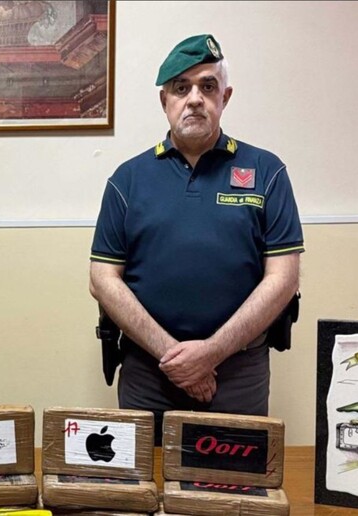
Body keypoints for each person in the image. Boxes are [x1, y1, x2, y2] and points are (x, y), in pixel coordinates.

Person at [89, 35, 303, 443]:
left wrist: (211, 353)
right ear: (164, 100)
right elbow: (102, 279)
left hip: (238, 375)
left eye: (207, 86)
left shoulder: (267, 171)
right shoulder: (128, 180)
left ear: (225, 97)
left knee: (233, 481)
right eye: (180, 88)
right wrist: (176, 358)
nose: (194, 99)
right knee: (145, 480)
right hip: (149, 375)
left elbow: (283, 278)